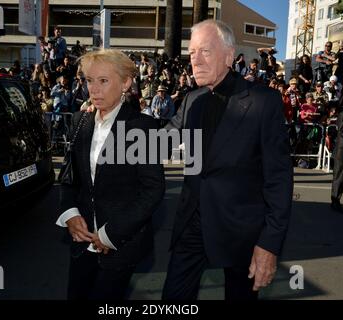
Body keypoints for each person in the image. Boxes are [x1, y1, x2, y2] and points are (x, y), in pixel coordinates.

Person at [162, 19, 293, 301]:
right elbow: (159, 144)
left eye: (205, 51)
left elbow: (279, 179)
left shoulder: (262, 101)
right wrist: (114, 119)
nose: (195, 60)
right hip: (192, 225)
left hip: (241, 231)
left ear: (229, 56)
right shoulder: (191, 100)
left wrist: (268, 245)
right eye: (191, 52)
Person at [56, 49, 165, 300]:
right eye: (89, 80)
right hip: (82, 242)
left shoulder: (143, 128)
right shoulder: (79, 122)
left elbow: (152, 190)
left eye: (103, 81)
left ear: (125, 82)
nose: (93, 89)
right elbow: (68, 177)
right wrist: (70, 214)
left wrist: (110, 234)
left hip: (120, 245)